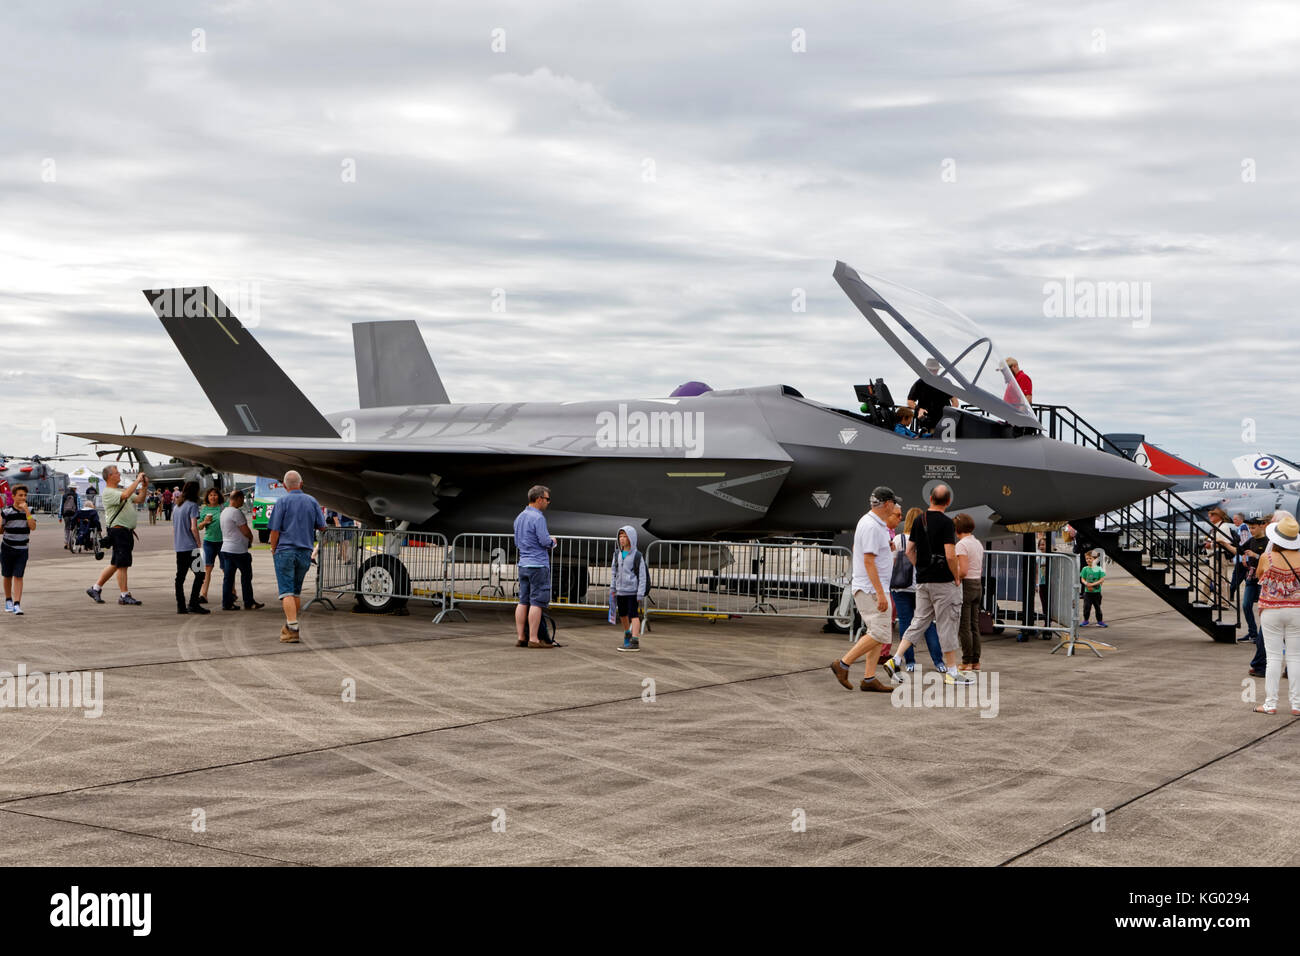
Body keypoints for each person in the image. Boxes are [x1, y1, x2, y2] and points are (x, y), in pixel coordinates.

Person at [883, 484, 973, 684]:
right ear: (948, 502)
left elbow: (909, 551)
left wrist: (921, 568)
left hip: (923, 582)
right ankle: (951, 672)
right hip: (943, 582)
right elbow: (950, 555)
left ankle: (896, 659)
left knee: (918, 621)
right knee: (947, 624)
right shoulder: (947, 523)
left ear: (930, 499)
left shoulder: (918, 520)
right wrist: (956, 576)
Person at [829, 486, 902, 693]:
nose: (896, 507)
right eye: (894, 503)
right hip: (871, 589)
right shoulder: (871, 526)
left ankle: (869, 678)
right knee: (879, 633)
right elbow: (869, 561)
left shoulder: (872, 523)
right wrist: (880, 593)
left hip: (872, 586)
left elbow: (860, 551)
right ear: (887, 504)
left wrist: (885, 549)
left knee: (876, 632)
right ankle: (843, 663)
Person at [268, 470, 327, 643]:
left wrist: (274, 549)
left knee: (286, 591)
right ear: (301, 484)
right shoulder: (312, 501)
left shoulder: (282, 501)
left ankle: (293, 628)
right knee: (295, 592)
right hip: (304, 552)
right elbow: (322, 527)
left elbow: (275, 530)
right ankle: (289, 626)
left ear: (285, 485)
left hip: (285, 551)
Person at [1251, 515, 1300, 715]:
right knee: (1295, 657)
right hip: (1296, 610)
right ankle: (1296, 704)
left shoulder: (1266, 557)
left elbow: (1258, 576)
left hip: (1271, 610)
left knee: (1273, 658)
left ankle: (1270, 704)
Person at [890, 506, 946, 673]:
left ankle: (910, 662)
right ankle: (938, 662)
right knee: (927, 625)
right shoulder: (926, 538)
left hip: (901, 587)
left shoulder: (899, 539)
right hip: (921, 586)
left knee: (906, 625)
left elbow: (892, 562)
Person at [86, 465, 148, 606]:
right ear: (109, 477)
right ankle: (124, 595)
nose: (119, 474)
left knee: (116, 563)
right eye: (116, 472)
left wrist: (144, 487)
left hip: (124, 532)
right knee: (122, 565)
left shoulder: (119, 490)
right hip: (119, 531)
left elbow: (139, 499)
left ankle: (95, 588)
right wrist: (137, 480)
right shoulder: (108, 492)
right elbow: (126, 495)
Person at [513, 485, 557, 648]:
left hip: (523, 563)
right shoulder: (538, 518)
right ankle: (534, 638)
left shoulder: (520, 517)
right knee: (537, 602)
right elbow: (544, 541)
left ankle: (521, 637)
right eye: (547, 499)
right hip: (538, 564)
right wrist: (553, 541)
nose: (548, 502)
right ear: (539, 499)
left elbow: (517, 542)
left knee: (523, 601)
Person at [219, 489, 263, 611]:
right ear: (237, 499)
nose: (243, 502)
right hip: (238, 550)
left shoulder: (224, 512)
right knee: (246, 577)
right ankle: (249, 602)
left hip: (226, 548)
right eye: (242, 499)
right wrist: (250, 538)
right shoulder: (236, 513)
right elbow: (245, 530)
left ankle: (227, 603)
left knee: (228, 578)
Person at [954, 512, 985, 668]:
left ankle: (966, 661)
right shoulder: (977, 543)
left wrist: (954, 576)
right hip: (978, 584)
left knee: (964, 626)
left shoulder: (961, 545)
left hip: (966, 585)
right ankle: (976, 660)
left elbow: (963, 570)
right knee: (974, 624)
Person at [610, 525, 648, 651]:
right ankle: (627, 633)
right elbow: (613, 572)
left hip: (632, 591)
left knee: (634, 615)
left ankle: (635, 640)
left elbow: (642, 576)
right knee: (623, 614)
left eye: (625, 536)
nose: (622, 539)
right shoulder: (617, 554)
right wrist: (613, 588)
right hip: (620, 591)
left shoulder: (637, 556)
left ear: (631, 538)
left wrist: (640, 593)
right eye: (620, 536)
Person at [1242, 515, 1272, 673]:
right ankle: (1252, 632)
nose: (1252, 531)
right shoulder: (1251, 541)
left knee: (1264, 612)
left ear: (1262, 526)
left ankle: (1257, 635)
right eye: (1250, 528)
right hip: (1251, 578)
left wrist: (1255, 556)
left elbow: (1269, 561)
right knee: (1246, 605)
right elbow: (1240, 548)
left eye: (1254, 527)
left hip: (1261, 579)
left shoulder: (1268, 541)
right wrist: (1242, 554)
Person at [173, 481, 208, 615]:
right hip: (191, 547)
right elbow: (194, 527)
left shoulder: (177, 506)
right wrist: (199, 543)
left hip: (179, 547)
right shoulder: (192, 506)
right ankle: (193, 603)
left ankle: (181, 606)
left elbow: (175, 528)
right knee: (200, 575)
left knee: (180, 577)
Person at [2, 484, 36, 615]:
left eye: (25, 495)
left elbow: (32, 527)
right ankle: (8, 600)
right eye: (20, 495)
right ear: (14, 496)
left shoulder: (30, 510)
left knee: (19, 575)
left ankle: (17, 604)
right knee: (7, 575)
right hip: (7, 547)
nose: (23, 498)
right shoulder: (6, 512)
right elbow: (1, 529)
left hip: (22, 548)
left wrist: (27, 511)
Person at [906, 358, 958, 435]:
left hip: (944, 422)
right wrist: (919, 409)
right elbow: (910, 401)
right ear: (926, 369)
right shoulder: (920, 383)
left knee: (944, 444)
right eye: (931, 369)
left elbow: (955, 402)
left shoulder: (946, 382)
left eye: (935, 369)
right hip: (927, 422)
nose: (934, 371)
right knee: (928, 442)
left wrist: (950, 414)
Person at [1200, 507, 1237, 605]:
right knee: (1211, 578)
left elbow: (1226, 542)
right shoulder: (1216, 527)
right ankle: (1204, 598)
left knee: (1219, 580)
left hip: (1219, 556)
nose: (1210, 516)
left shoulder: (1223, 527)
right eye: (1210, 514)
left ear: (1219, 516)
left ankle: (1223, 603)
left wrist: (1210, 545)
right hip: (1214, 556)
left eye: (1213, 514)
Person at [196, 487, 224, 605]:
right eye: (211, 495)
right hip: (209, 542)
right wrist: (204, 522)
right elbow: (199, 527)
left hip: (223, 542)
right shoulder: (204, 509)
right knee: (207, 568)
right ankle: (204, 594)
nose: (213, 497)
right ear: (207, 497)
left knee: (226, 569)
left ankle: (232, 592)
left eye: (215, 495)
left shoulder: (223, 508)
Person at [1079, 550, 1107, 627]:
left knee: (1097, 607)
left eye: (1090, 558)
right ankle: (1086, 620)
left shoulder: (1099, 569)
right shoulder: (1085, 569)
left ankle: (1100, 621)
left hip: (1097, 592)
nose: (1088, 560)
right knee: (1086, 607)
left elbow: (1102, 579)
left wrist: (1092, 584)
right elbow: (1082, 578)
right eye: (1086, 558)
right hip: (1087, 593)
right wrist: (1087, 584)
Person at [1229, 512, 1249, 600]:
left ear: (1241, 520)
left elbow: (1244, 543)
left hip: (1243, 558)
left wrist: (1244, 557)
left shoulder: (1243, 528)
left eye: (1236, 519)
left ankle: (1231, 592)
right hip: (1243, 557)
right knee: (1246, 577)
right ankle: (1255, 595)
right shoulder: (1241, 528)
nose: (1234, 521)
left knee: (1236, 577)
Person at [59, 485, 80, 550]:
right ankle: (73, 542)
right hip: (74, 514)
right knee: (75, 528)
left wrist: (60, 516)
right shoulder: (77, 495)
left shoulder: (64, 495)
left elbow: (61, 505)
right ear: (74, 488)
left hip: (66, 514)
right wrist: (79, 515)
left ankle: (66, 542)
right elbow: (79, 505)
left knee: (67, 528)